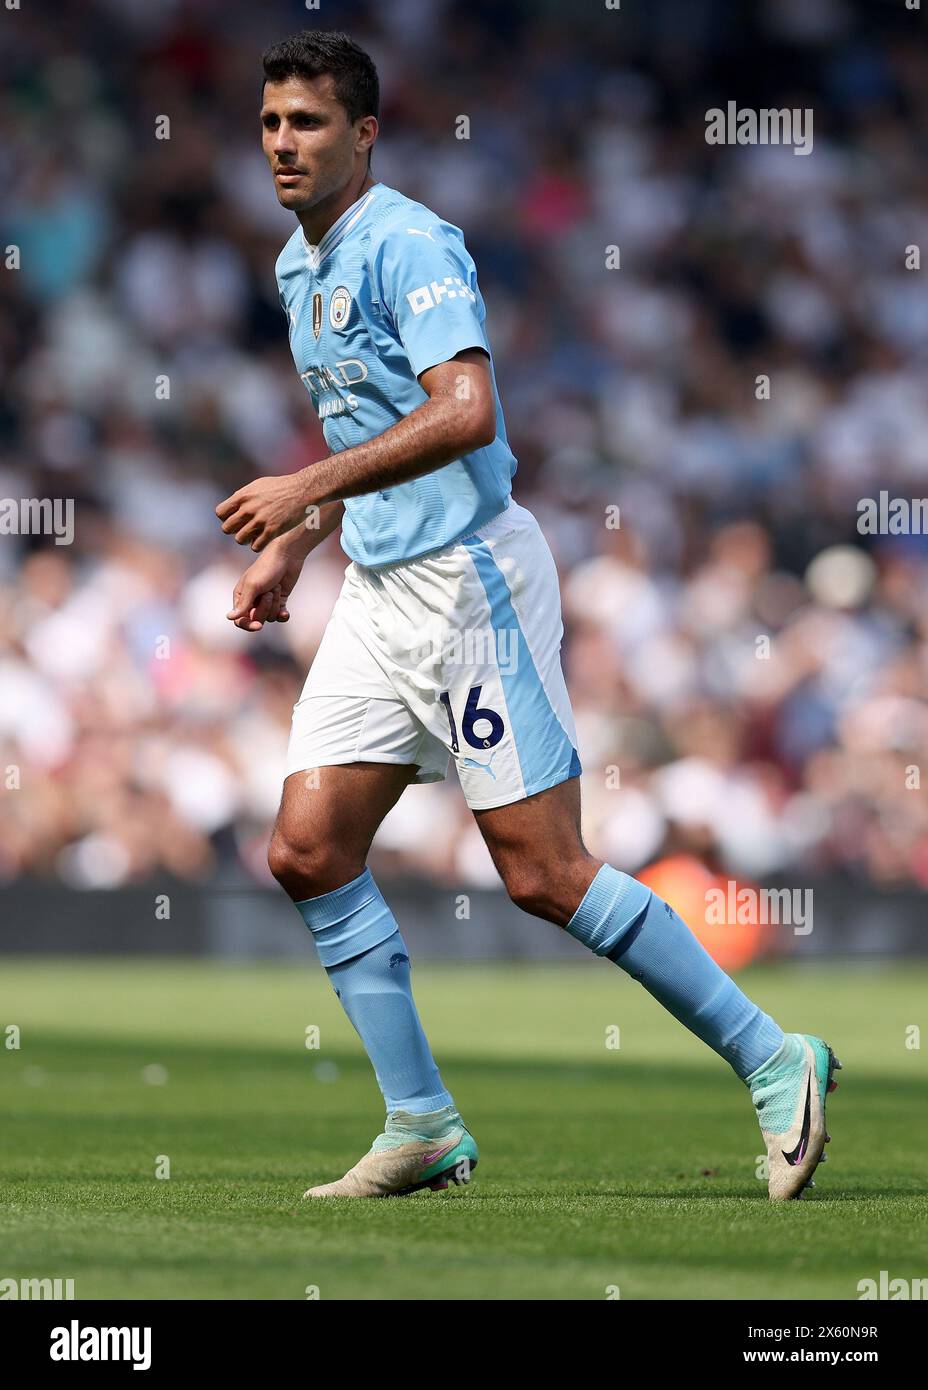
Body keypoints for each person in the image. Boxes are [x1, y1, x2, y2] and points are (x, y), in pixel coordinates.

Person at [216, 29, 840, 1201]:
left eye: (306, 122)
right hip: (380, 586)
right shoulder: (300, 267)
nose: (283, 144)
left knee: (543, 873)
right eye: (269, 123)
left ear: (364, 133)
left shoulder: (408, 241)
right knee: (306, 849)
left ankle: (774, 1056)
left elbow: (464, 409)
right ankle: (421, 1124)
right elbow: (369, 435)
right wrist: (301, 543)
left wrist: (299, 490)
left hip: (469, 581)